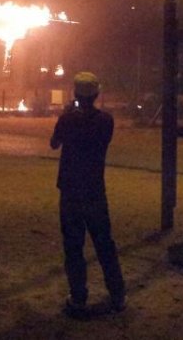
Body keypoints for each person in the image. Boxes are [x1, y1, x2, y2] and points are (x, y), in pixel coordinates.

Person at [50, 71, 126, 317]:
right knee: (104, 243)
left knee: (74, 246)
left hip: (71, 189)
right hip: (94, 189)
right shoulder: (106, 121)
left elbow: (54, 143)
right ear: (96, 94)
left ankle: (78, 298)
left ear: (75, 93)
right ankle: (117, 294)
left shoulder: (67, 120)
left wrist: (67, 116)